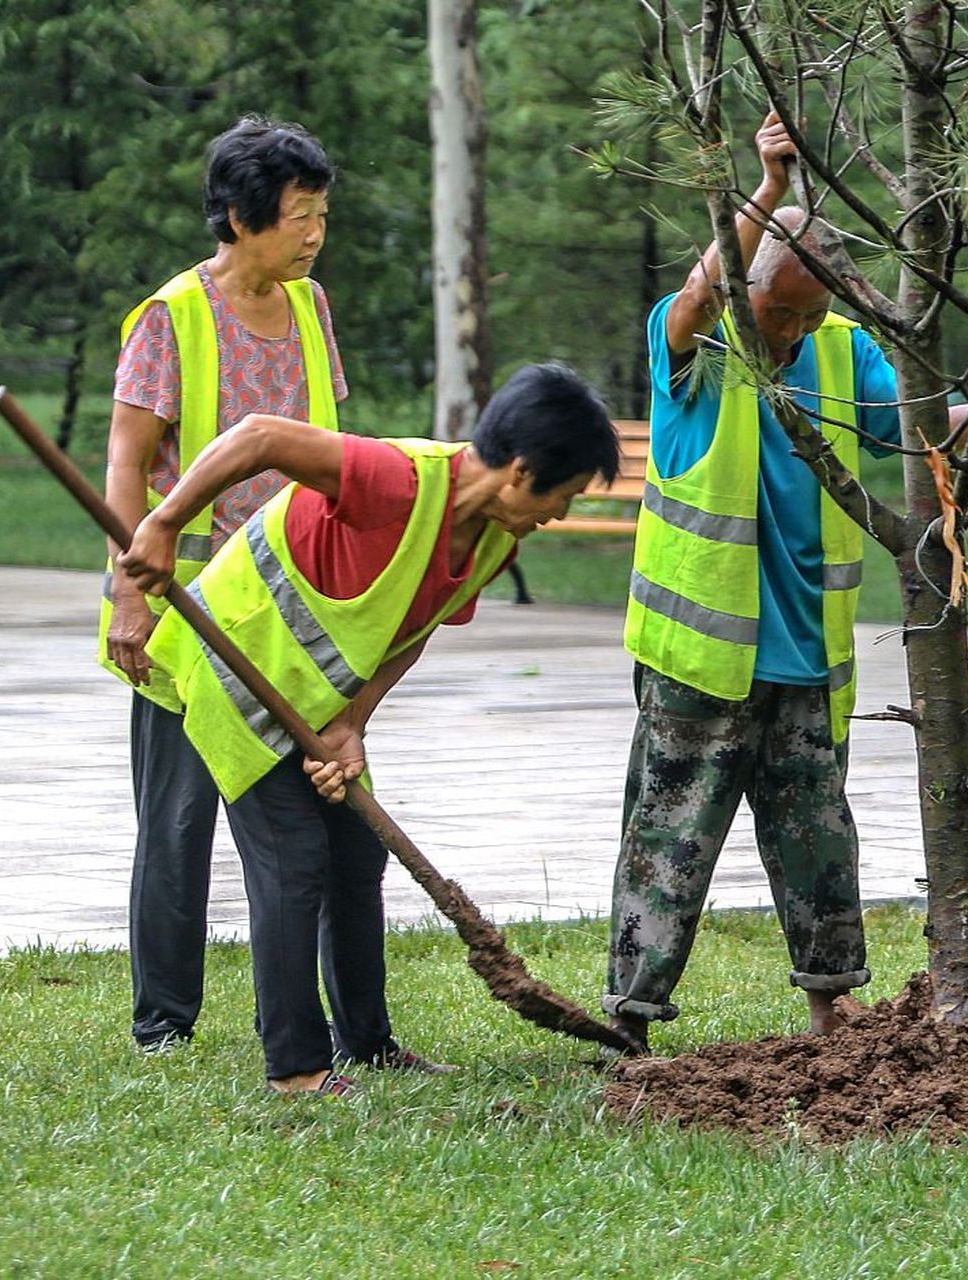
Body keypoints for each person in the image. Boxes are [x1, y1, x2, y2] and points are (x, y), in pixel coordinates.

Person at [606, 111, 968, 1050]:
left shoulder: (842, 352)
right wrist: (766, 191)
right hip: (700, 659)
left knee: (820, 842)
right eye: (778, 311)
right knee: (669, 844)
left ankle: (832, 1006)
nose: (792, 330)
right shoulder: (697, 347)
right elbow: (702, 293)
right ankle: (630, 1018)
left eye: (809, 313)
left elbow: (922, 428)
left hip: (805, 658)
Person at [120, 363, 620, 1095]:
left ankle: (367, 1043)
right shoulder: (397, 480)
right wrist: (160, 524)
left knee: (356, 858)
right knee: (293, 863)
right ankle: (295, 1067)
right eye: (564, 496)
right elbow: (259, 436)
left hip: (321, 705)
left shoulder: (491, 543)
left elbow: (410, 628)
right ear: (521, 472)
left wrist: (353, 723)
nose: (557, 516)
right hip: (234, 667)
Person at [103, 115, 347, 1054]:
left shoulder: (313, 305)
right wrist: (132, 591)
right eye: (298, 216)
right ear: (241, 218)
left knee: (311, 820)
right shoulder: (174, 316)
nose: (314, 233)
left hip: (297, 607)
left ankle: (341, 1018)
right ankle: (164, 1021)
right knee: (177, 820)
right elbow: (126, 466)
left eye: (321, 214)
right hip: (185, 609)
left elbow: (329, 446)